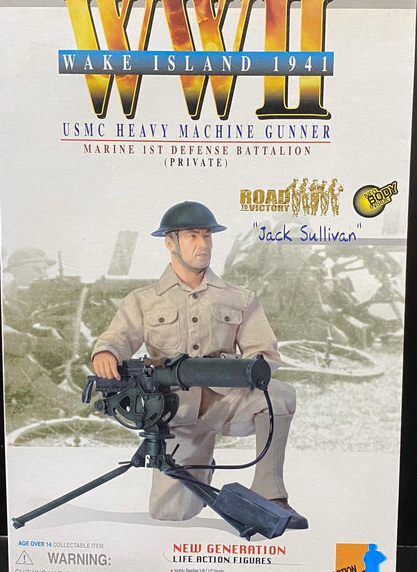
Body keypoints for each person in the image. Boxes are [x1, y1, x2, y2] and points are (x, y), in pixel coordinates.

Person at [91, 201, 308, 529]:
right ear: (170, 242)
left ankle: (270, 493)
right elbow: (117, 338)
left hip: (227, 403)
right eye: (192, 236)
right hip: (174, 414)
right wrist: (105, 353)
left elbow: (265, 355)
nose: (203, 244)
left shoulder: (239, 298)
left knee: (280, 395)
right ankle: (202, 467)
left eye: (207, 235)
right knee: (171, 514)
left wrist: (224, 369)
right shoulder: (144, 300)